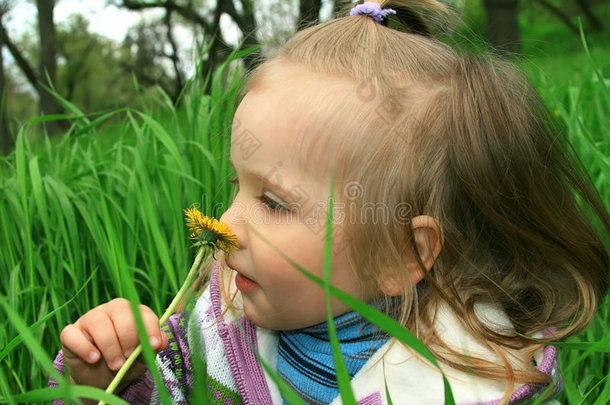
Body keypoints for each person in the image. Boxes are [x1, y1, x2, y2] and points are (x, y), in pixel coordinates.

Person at [50, 1, 610, 404]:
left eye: (273, 202)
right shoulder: (218, 323)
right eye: (235, 185)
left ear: (399, 256)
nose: (225, 225)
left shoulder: (472, 380)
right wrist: (110, 379)